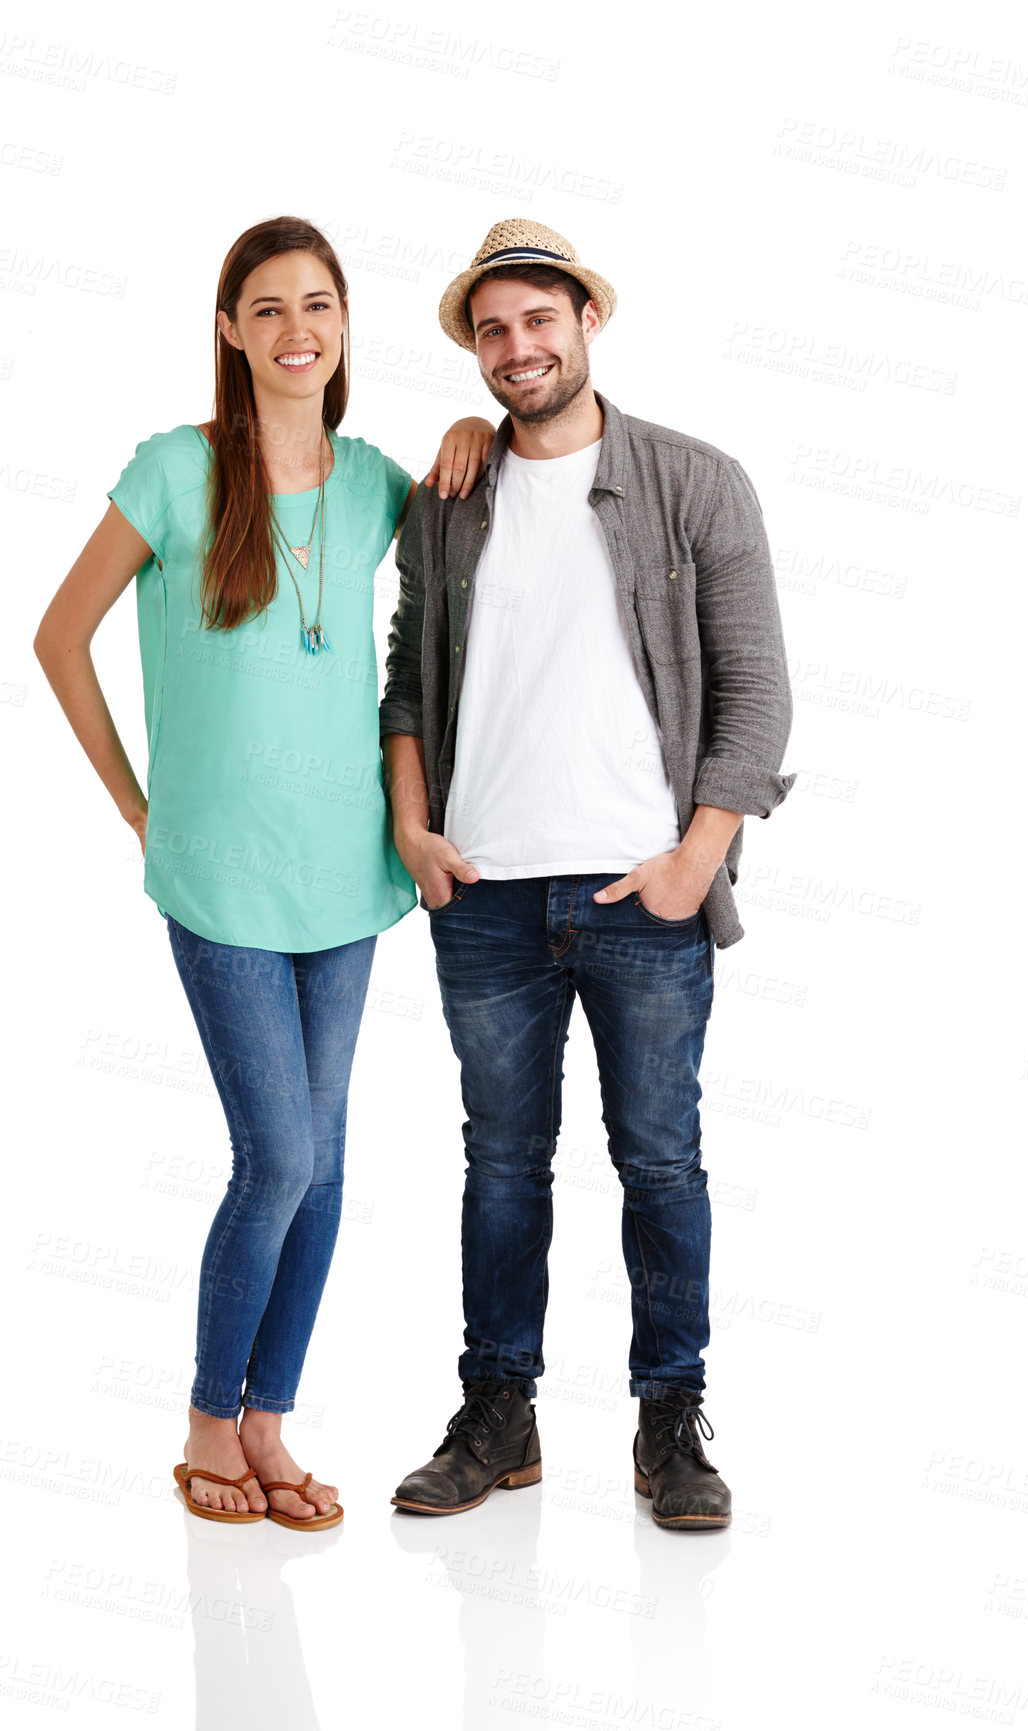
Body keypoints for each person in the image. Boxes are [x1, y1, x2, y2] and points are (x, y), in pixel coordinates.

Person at [34, 215, 493, 1530]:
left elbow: (477, 547)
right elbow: (58, 639)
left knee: (327, 1165)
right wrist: (138, 805)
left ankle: (266, 1422)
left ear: (345, 328)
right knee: (276, 1156)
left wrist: (467, 442)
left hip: (343, 874)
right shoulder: (175, 472)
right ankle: (201, 1421)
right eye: (270, 308)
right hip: (218, 876)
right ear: (231, 329)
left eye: (321, 307)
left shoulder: (369, 484)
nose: (298, 331)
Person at [380, 219, 796, 1531]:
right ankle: (496, 1415)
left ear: (583, 324)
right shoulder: (447, 498)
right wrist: (411, 830)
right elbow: (405, 681)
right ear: (474, 350)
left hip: (638, 895)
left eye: (537, 321)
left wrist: (695, 860)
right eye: (492, 331)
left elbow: (756, 694)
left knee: (659, 1162)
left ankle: (669, 1421)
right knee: (500, 1166)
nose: (518, 348)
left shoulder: (694, 480)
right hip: (485, 896)